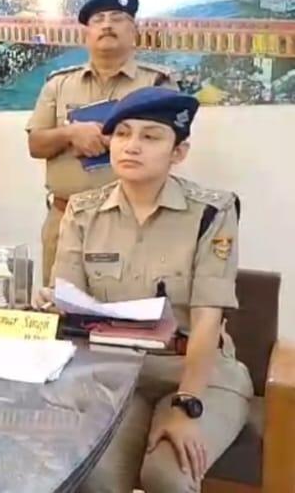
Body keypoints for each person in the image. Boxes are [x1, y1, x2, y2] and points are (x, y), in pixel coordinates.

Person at [37, 87, 253, 493]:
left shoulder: (212, 212)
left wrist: (186, 403)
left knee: (168, 475)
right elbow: (72, 311)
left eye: (150, 137)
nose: (132, 146)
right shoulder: (82, 211)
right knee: (93, 477)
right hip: (116, 372)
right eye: (122, 134)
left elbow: (208, 320)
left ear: (178, 152)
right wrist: (52, 306)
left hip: (196, 370)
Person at [26, 0, 179, 286]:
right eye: (98, 20)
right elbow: (36, 145)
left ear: (134, 32)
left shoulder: (156, 84)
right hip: (64, 216)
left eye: (117, 18)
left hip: (134, 220)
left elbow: (170, 147)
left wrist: (116, 139)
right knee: (58, 303)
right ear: (86, 34)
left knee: (130, 303)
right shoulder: (59, 84)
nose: (107, 25)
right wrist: (70, 133)